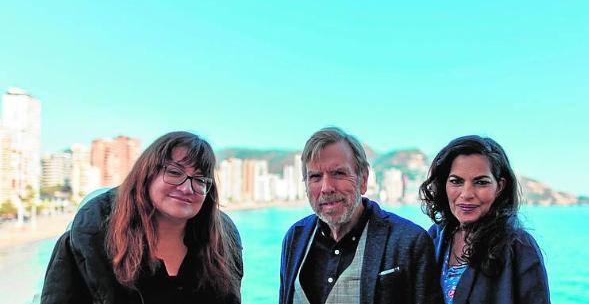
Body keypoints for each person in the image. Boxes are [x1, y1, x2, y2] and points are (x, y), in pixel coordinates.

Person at [41, 131, 243, 304]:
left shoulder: (223, 246)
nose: (186, 187)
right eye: (174, 172)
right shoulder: (89, 239)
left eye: (200, 180)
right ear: (146, 175)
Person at [279, 127, 442, 304]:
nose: (326, 187)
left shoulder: (410, 241)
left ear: (363, 179)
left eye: (338, 173)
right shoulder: (295, 237)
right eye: (315, 177)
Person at [420, 135, 550, 304]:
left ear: (499, 187)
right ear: (444, 184)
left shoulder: (519, 247)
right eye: (456, 181)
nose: (467, 194)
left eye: (481, 182)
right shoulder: (435, 238)